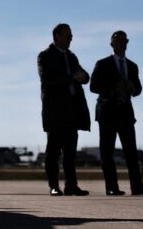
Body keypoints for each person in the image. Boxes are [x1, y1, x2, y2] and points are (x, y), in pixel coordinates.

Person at [90, 31, 143, 196]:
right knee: (107, 153)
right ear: (111, 44)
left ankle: (137, 187)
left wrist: (134, 88)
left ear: (127, 43)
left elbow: (138, 89)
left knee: (131, 153)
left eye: (124, 41)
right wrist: (112, 89)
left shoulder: (132, 66)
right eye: (117, 41)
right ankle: (112, 187)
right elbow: (93, 86)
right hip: (107, 113)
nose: (121, 44)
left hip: (125, 113)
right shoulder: (102, 64)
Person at [37, 24, 90, 196]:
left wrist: (84, 76)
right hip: (55, 111)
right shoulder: (45, 56)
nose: (71, 39)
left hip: (72, 111)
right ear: (56, 37)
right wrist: (71, 77)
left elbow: (83, 75)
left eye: (71, 36)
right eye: (68, 36)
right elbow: (48, 79)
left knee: (70, 153)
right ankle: (54, 185)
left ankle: (71, 185)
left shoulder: (71, 56)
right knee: (53, 152)